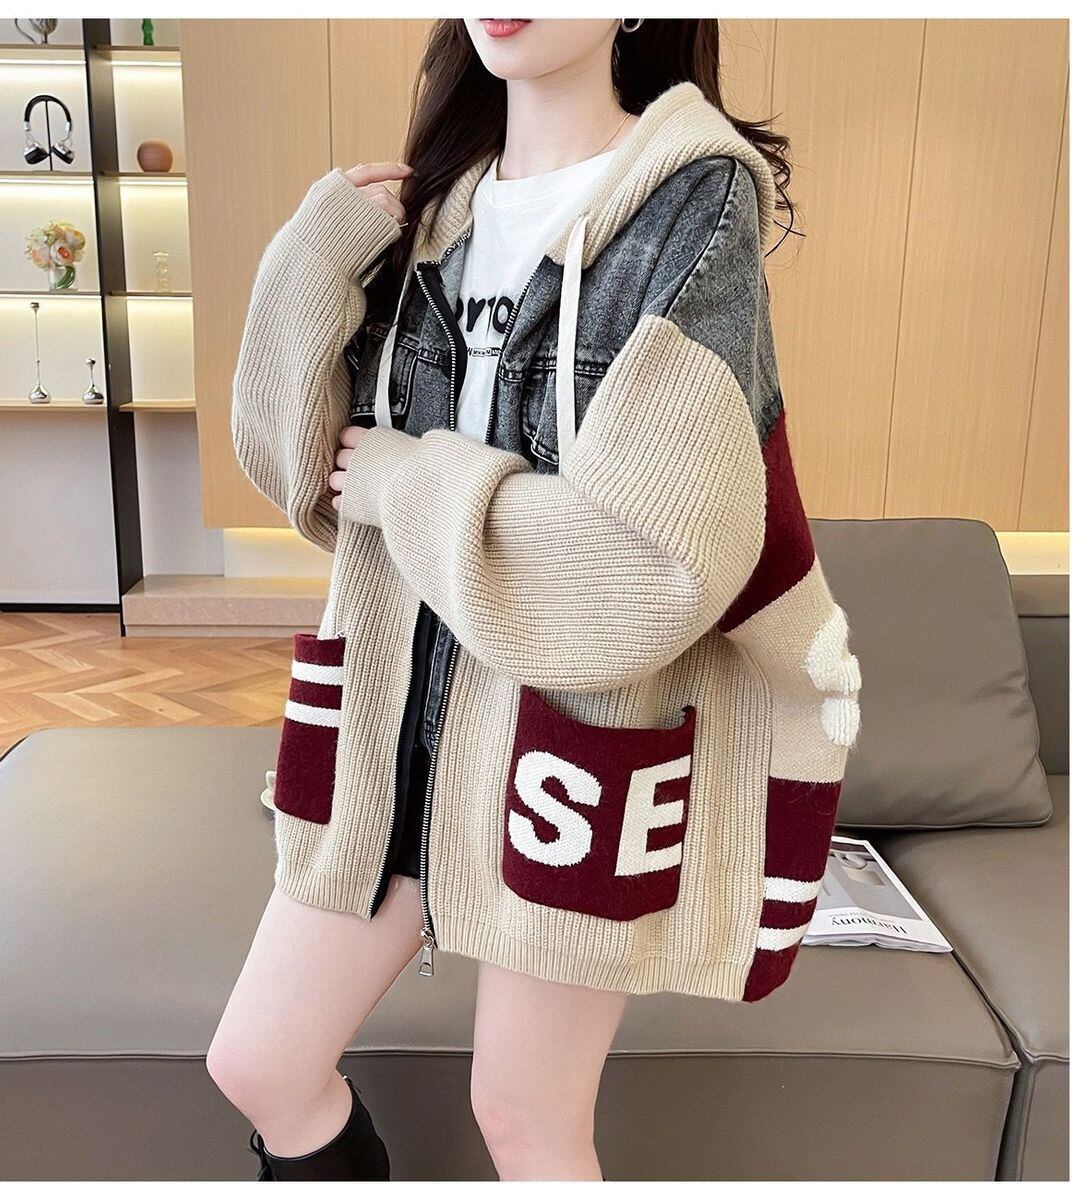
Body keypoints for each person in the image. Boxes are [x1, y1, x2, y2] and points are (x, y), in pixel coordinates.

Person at [211, 17, 862, 1182]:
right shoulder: (430, 213)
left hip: (570, 744)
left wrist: (412, 482)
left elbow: (654, 566)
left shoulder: (688, 206)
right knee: (260, 1064)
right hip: (391, 725)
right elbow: (304, 477)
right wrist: (309, 264)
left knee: (525, 1119)